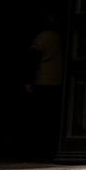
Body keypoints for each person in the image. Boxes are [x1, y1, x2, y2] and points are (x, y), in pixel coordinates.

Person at [25, 12, 63, 160]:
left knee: (40, 118)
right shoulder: (63, 37)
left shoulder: (43, 37)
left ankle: (39, 152)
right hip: (58, 81)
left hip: (43, 81)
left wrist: (28, 80)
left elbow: (34, 59)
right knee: (52, 118)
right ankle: (51, 151)